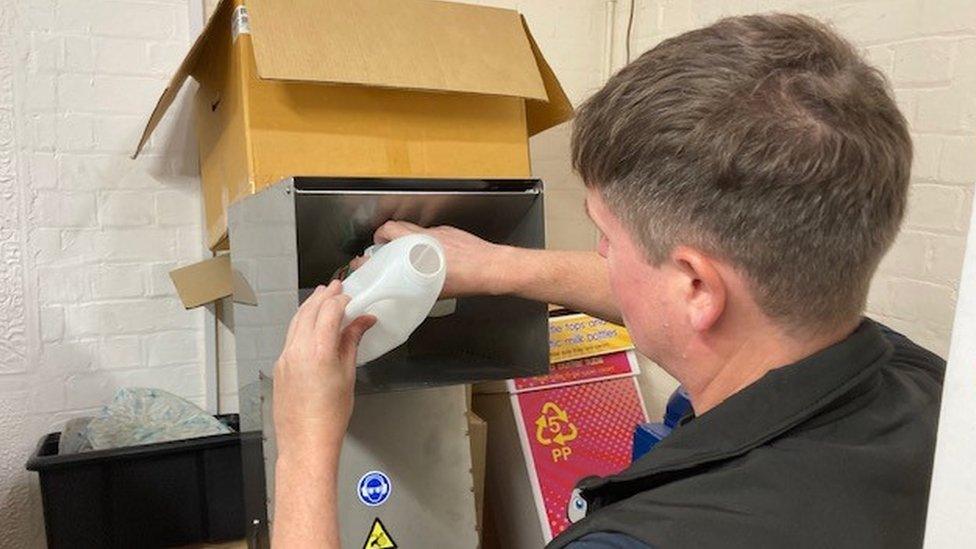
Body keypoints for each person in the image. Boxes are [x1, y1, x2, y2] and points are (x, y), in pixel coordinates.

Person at [270, 13, 944, 549]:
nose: (598, 253)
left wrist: (304, 441)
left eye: (606, 235)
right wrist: (501, 265)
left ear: (695, 288)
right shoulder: (927, 388)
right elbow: (692, 300)